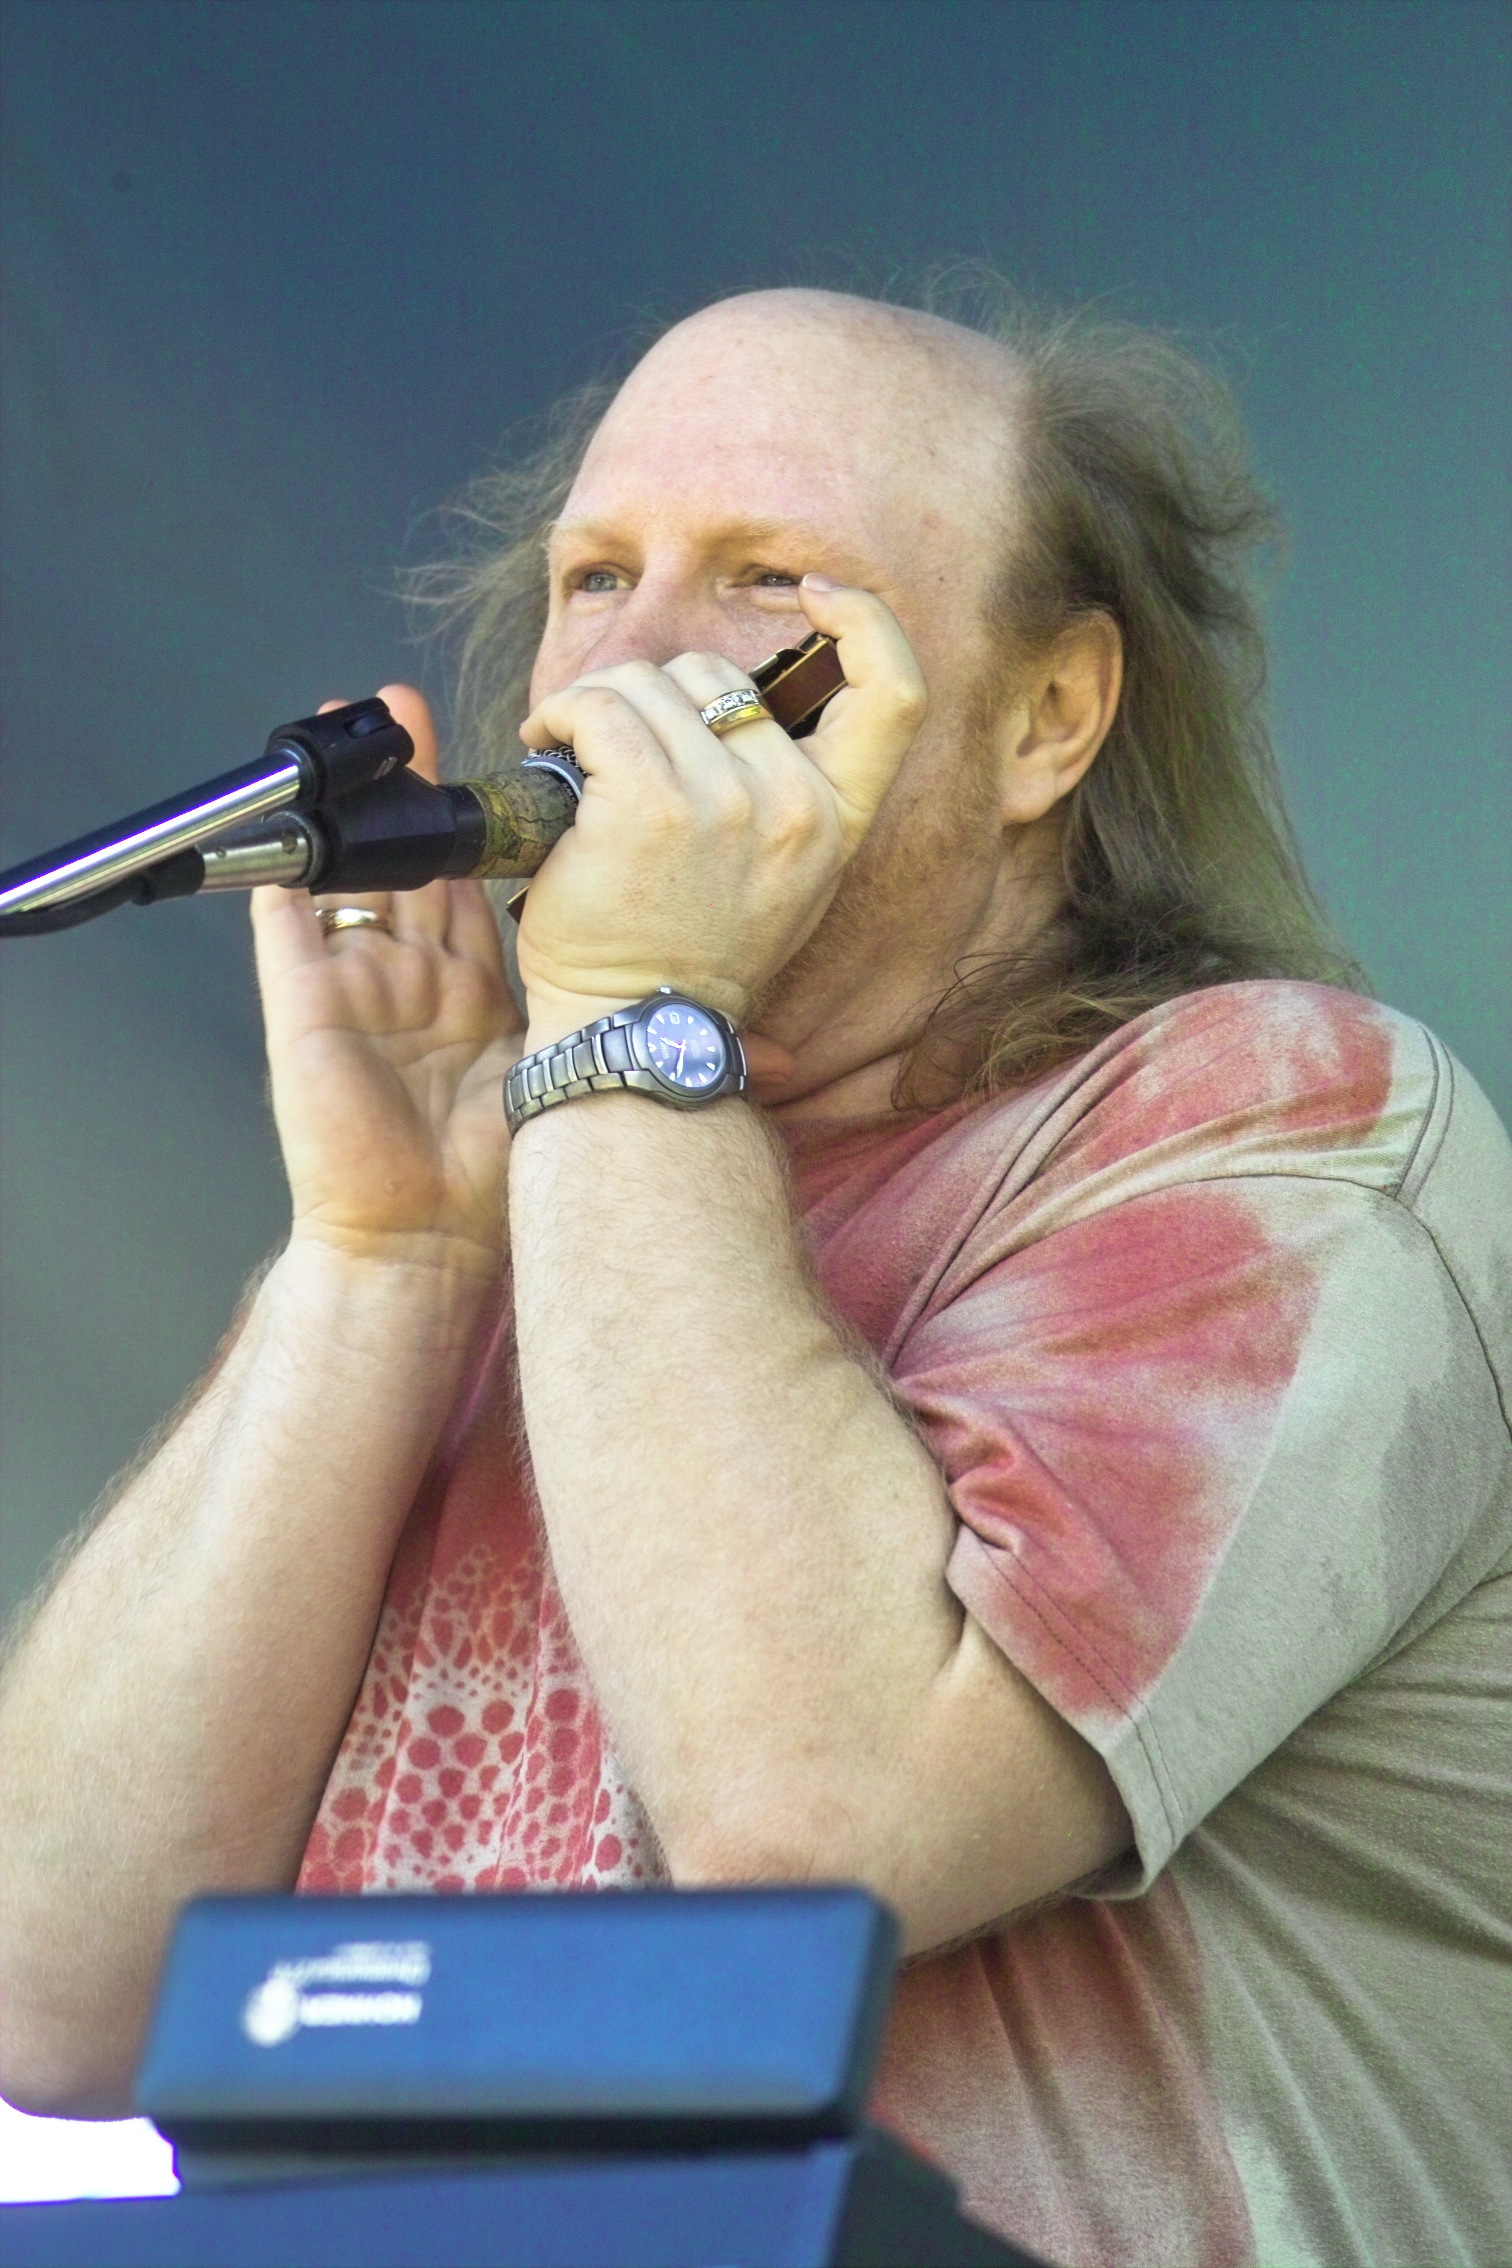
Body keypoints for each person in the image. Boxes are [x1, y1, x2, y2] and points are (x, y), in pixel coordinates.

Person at [2, 285, 1508, 2268]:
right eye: (593, 579)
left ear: (1047, 716)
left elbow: (819, 1832)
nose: (627, 661)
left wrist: (628, 1006)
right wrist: (383, 1259)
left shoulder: (1275, 1125)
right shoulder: (565, 1192)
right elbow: (53, 1996)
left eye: (765, 580)